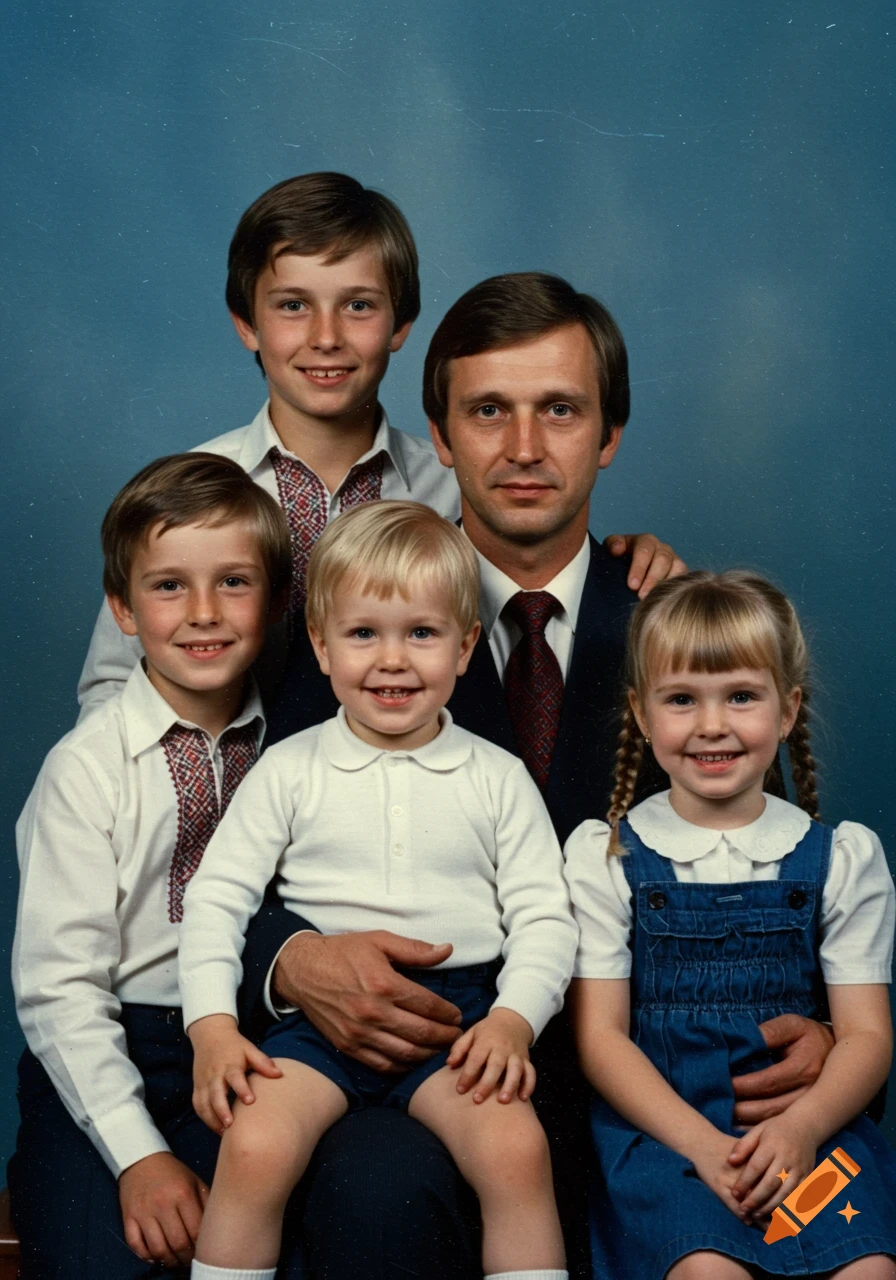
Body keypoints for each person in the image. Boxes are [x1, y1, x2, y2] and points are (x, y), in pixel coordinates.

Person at [258, 273, 834, 1278]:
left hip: (670, 1082)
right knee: (371, 1189)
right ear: (437, 434)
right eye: (487, 411)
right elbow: (243, 864)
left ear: (607, 433)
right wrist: (291, 959)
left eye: (558, 409)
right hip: (433, 1068)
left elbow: (764, 862)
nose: (523, 448)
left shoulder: (677, 628)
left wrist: (817, 1029)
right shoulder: (355, 631)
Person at [178, 500, 578, 1280]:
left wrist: (512, 1022)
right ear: (322, 647)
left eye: (421, 634)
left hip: (461, 1022)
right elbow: (216, 902)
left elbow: (544, 918)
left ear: (465, 647)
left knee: (516, 1149)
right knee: (255, 1143)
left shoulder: (496, 778)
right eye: (363, 634)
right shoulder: (290, 769)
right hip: (313, 1028)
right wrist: (213, 1031)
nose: (392, 660)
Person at [565, 570, 896, 1279]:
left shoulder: (840, 857)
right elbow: (600, 1038)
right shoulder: (609, 856)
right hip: (667, 1141)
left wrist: (802, 1128)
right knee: (707, 1269)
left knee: (865, 1266)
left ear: (786, 710)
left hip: (806, 1136)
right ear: (642, 714)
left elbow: (867, 1036)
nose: (712, 724)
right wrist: (701, 1144)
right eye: (682, 699)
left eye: (741, 696)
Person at [8, 454, 293, 1277]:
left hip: (249, 1050)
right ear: (122, 608)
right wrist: (136, 1156)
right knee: (100, 1255)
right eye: (169, 586)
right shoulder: (86, 769)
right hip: (106, 1050)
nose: (203, 613)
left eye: (233, 582)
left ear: (277, 602)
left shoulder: (298, 751)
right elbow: (60, 988)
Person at [76, 171, 458, 715]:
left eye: (358, 306)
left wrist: (625, 557)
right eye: (293, 305)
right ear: (246, 323)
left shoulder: (451, 489)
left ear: (401, 325)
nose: (325, 338)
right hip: (223, 794)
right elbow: (111, 688)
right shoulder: (189, 489)